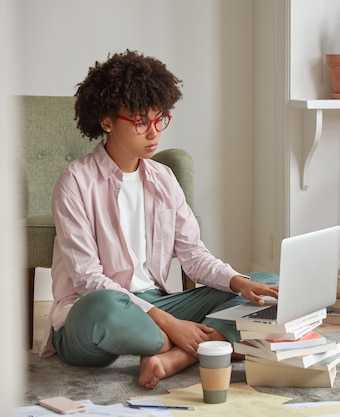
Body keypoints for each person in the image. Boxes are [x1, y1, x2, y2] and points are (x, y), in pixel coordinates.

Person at [40, 50, 279, 389]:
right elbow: (88, 279)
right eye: (140, 122)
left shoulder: (164, 178)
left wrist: (238, 282)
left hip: (155, 302)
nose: (154, 133)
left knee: (267, 287)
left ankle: (175, 355)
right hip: (95, 312)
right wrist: (170, 323)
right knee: (104, 307)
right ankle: (195, 341)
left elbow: (193, 256)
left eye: (160, 119)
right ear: (107, 121)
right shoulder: (75, 182)